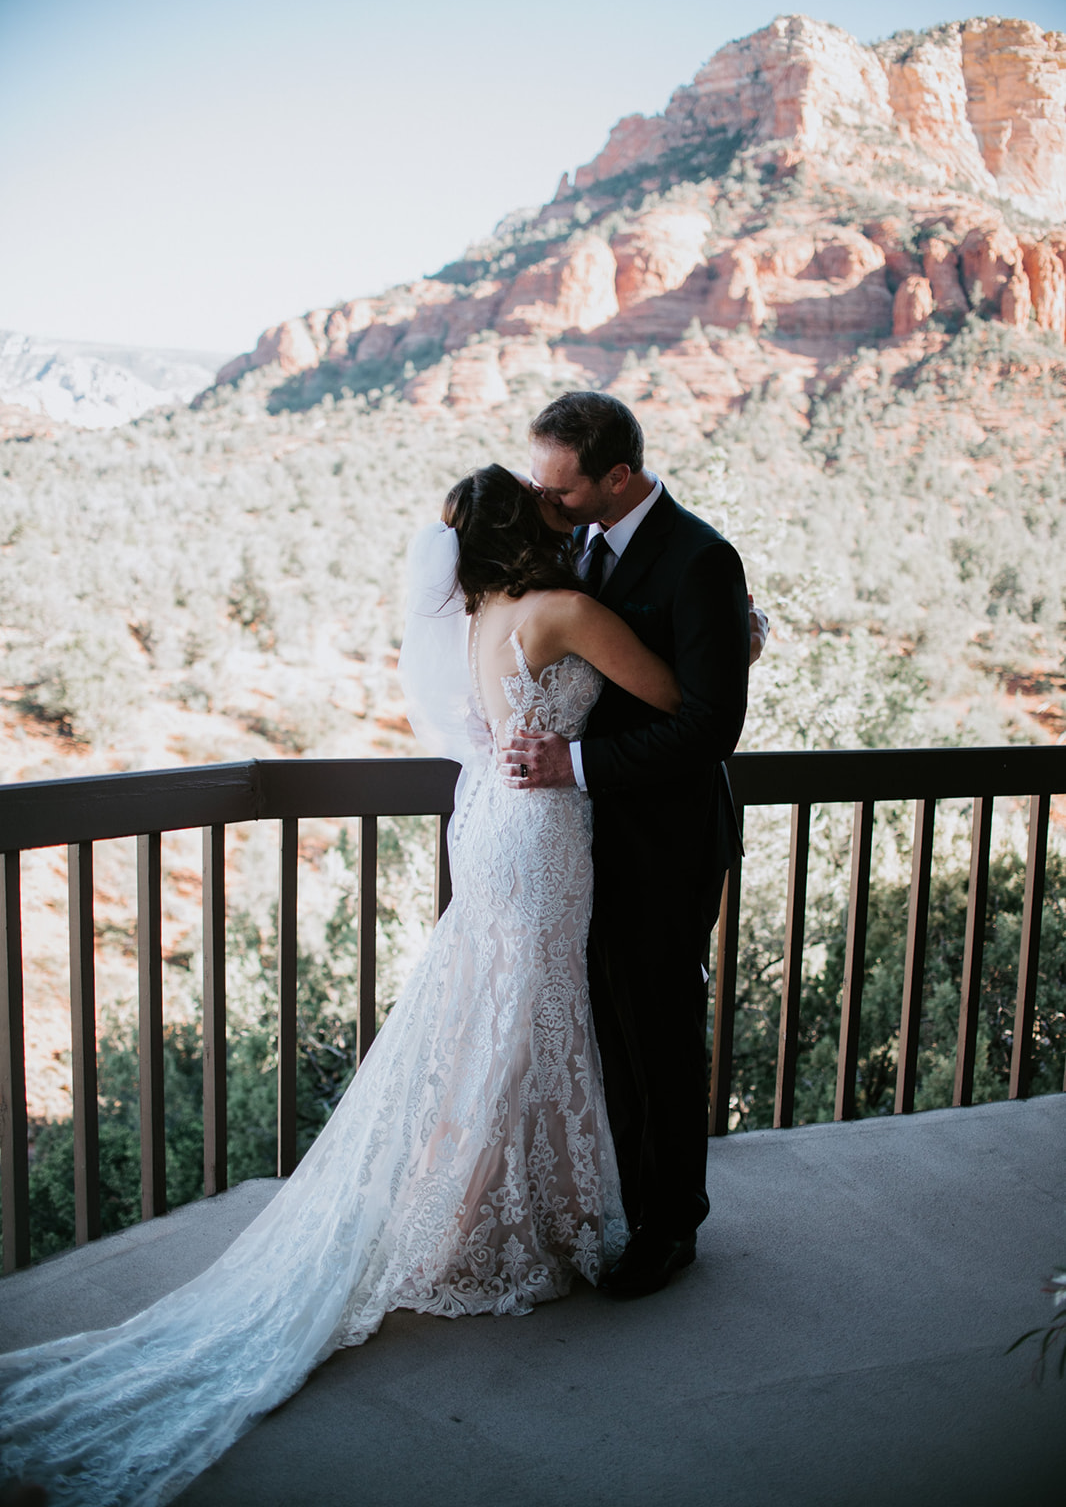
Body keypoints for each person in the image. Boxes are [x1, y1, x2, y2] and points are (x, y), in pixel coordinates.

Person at [0, 465, 686, 1507]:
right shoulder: (567, 608)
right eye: (549, 502)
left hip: (494, 822)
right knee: (522, 1014)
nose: (564, 510)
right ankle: (504, 1216)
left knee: (498, 1014)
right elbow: (677, 693)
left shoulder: (485, 610)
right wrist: (746, 631)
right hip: (543, 828)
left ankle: (488, 1206)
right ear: (531, 529)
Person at [499, 391, 755, 1299]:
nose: (548, 502)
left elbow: (712, 726)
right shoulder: (569, 545)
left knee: (659, 1031)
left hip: (666, 841)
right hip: (578, 845)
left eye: (561, 489)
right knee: (604, 1029)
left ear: (618, 475)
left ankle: (670, 1225)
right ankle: (616, 1198)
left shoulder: (698, 558)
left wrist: (574, 762)